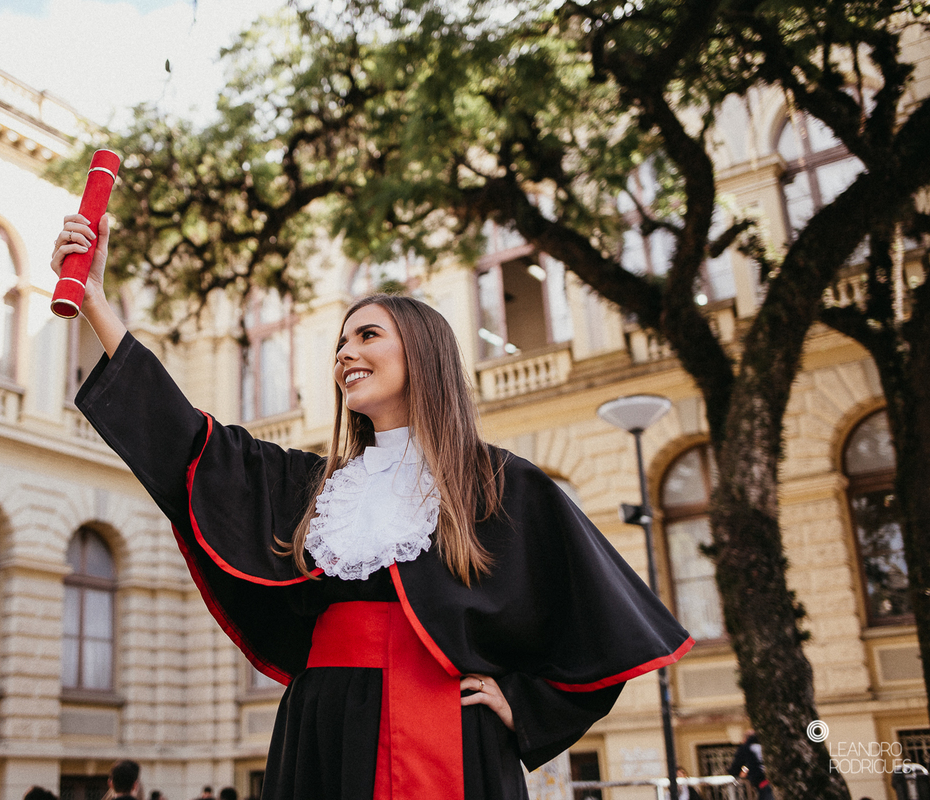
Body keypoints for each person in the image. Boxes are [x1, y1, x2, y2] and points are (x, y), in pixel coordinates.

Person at [52, 215, 693, 800]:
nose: (344, 355)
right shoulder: (316, 488)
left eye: (367, 335)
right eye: (340, 342)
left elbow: (607, 623)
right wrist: (98, 305)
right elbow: (189, 442)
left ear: (423, 352)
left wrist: (527, 704)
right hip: (322, 727)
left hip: (447, 733)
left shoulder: (501, 484)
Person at [729, 731, 772, 800]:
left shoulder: (746, 748)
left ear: (745, 739)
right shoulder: (768, 745)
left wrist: (745, 773)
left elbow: (735, 769)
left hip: (762, 784)